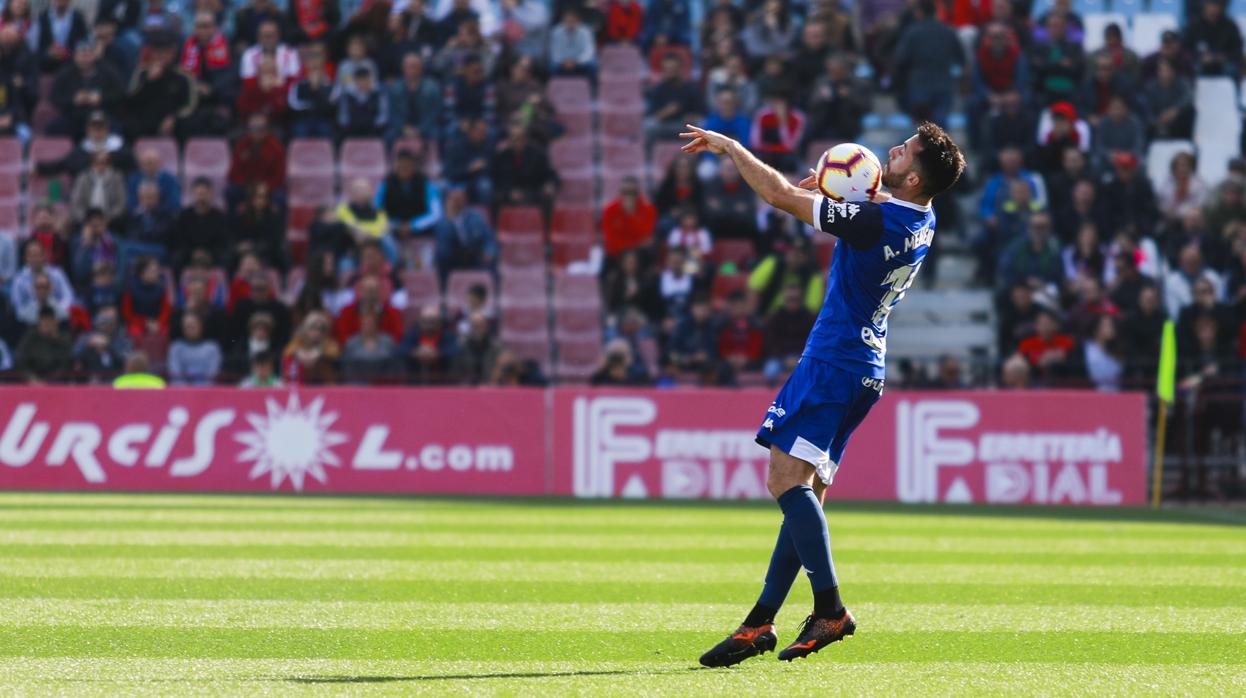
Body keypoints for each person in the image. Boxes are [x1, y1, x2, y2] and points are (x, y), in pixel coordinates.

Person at [679, 121, 964, 664]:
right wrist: (843, 191)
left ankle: (830, 609)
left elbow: (778, 194)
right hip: (867, 366)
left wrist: (732, 148)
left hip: (834, 362)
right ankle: (758, 623)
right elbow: (885, 203)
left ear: (913, 178)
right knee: (804, 492)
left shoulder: (873, 219)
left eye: (907, 151)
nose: (896, 149)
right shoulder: (922, 216)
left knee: (784, 480)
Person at [15, 306, 73, 380]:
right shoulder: (31, 338)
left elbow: (66, 363)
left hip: (57, 383)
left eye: (50, 320)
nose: (47, 324)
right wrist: (32, 378)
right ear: (39, 322)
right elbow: (20, 360)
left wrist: (55, 338)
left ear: (56, 322)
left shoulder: (64, 339)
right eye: (44, 321)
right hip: (31, 381)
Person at [167, 312, 222, 384]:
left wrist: (198, 393)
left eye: (193, 326)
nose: (190, 329)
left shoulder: (212, 348)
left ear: (201, 326)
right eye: (187, 327)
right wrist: (186, 393)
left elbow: (212, 377)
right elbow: (175, 376)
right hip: (181, 393)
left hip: (207, 393)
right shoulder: (176, 347)